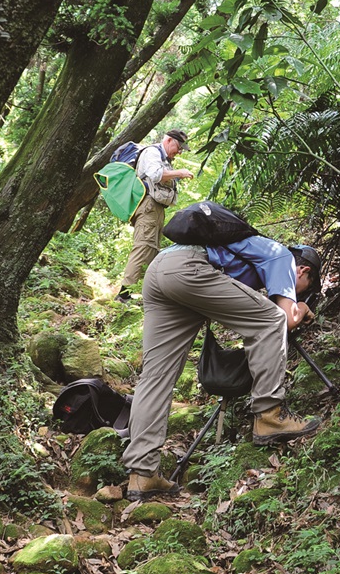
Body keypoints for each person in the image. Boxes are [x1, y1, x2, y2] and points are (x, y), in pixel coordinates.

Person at [121, 236, 323, 497]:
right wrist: (302, 305)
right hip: (188, 269)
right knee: (272, 320)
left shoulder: (246, 253)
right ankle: (271, 415)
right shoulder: (283, 257)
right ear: (303, 271)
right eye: (303, 289)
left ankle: (142, 475)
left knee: (155, 378)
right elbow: (284, 318)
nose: (297, 294)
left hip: (161, 267)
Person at [115, 129, 193, 302]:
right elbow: (155, 174)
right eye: (179, 147)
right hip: (148, 206)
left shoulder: (164, 158)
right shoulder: (152, 152)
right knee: (143, 246)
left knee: (152, 250)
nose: (179, 152)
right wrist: (179, 173)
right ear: (169, 140)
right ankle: (123, 295)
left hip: (156, 208)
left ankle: (149, 292)